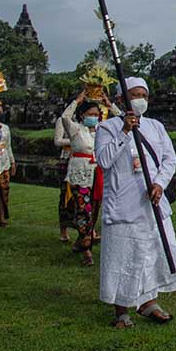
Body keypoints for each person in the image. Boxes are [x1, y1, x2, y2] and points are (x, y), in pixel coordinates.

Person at [95, 77, 176, 329]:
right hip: (123, 203)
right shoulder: (108, 128)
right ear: (119, 100)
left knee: (152, 252)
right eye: (135, 95)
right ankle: (122, 310)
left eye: (144, 95)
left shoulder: (156, 126)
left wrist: (159, 183)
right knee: (123, 256)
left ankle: (149, 302)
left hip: (152, 201)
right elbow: (103, 160)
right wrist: (125, 131)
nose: (141, 100)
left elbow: (169, 158)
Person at [60, 91, 119, 266]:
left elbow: (123, 121)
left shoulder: (102, 129)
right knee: (82, 208)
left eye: (96, 114)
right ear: (82, 115)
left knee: (94, 210)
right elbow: (65, 117)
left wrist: (110, 105)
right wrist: (77, 101)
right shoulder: (76, 129)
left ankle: (83, 240)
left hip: (98, 173)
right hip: (79, 173)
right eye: (90, 114)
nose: (93, 117)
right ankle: (86, 248)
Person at [54, 113, 73, 242]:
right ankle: (63, 230)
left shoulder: (93, 119)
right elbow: (58, 140)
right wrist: (77, 139)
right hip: (68, 160)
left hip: (87, 160)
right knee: (65, 195)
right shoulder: (62, 120)